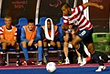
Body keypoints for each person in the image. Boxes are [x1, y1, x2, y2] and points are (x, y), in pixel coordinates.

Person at [61, 2, 106, 72]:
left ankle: (85, 57)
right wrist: (64, 27)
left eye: (64, 10)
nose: (63, 12)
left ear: (68, 9)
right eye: (62, 11)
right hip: (82, 30)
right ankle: (101, 65)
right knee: (91, 50)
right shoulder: (65, 16)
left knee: (74, 42)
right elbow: (67, 25)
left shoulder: (76, 10)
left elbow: (87, 4)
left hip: (87, 28)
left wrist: (99, 6)